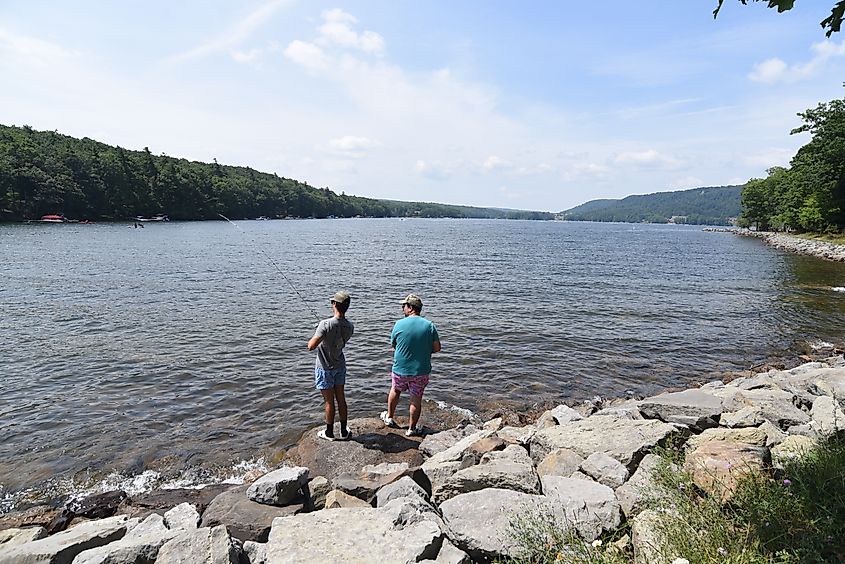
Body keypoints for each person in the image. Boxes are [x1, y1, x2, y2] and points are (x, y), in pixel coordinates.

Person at [381, 293, 441, 437]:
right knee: (416, 399)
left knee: (395, 390)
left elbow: (394, 344)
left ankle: (389, 417)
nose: (402, 308)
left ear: (410, 308)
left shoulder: (399, 324)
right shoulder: (429, 325)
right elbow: (437, 348)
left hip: (400, 368)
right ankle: (412, 429)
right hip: (420, 370)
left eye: (404, 306)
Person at [307, 291, 354, 441]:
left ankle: (329, 433)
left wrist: (319, 331)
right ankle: (344, 431)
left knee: (329, 401)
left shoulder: (325, 324)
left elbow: (311, 346)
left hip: (325, 368)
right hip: (340, 365)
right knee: (341, 398)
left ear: (334, 304)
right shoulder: (350, 326)